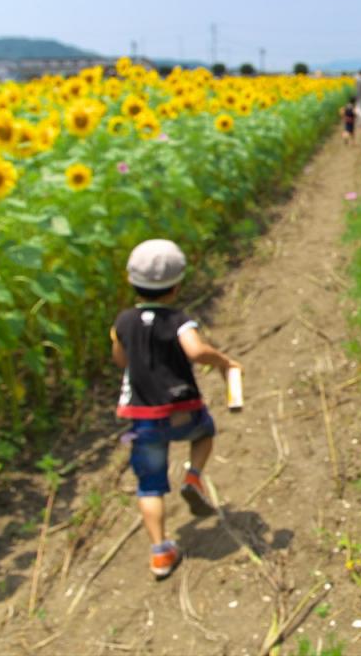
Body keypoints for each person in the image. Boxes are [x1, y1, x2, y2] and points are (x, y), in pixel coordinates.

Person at [111, 239, 241, 579]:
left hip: (142, 418)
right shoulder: (179, 320)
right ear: (177, 286)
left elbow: (119, 358)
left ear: (130, 281)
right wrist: (223, 362)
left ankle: (160, 553)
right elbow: (195, 351)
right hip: (181, 409)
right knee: (205, 433)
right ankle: (193, 476)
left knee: (149, 486)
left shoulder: (123, 322)